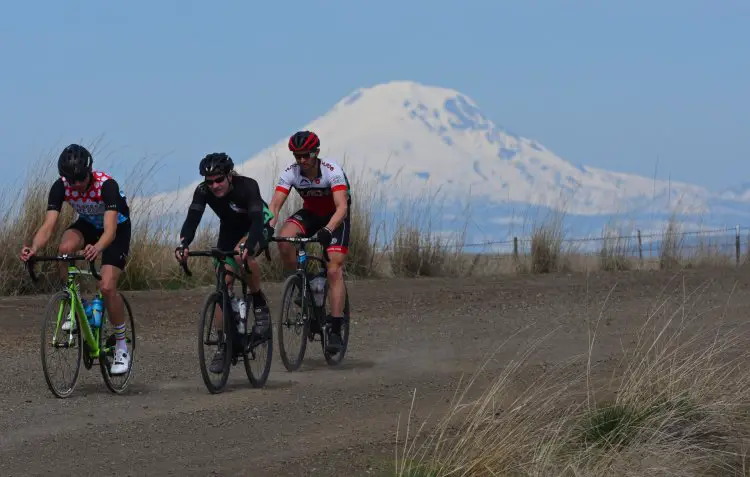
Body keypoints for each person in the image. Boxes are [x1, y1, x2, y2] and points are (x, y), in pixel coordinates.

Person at [19, 143, 132, 375]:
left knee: (108, 286)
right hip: (89, 224)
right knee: (64, 249)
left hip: (116, 229)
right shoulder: (61, 187)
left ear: (89, 171)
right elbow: (48, 226)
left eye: (79, 178)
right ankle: (74, 301)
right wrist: (33, 248)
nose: (76, 185)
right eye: (70, 180)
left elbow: (110, 231)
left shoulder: (107, 186)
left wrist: (97, 248)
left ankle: (121, 345)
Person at [174, 152, 274, 374]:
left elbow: (257, 220)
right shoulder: (202, 191)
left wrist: (249, 245)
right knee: (223, 283)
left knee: (241, 255)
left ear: (229, 175)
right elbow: (192, 219)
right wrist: (184, 244)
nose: (215, 185)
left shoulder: (247, 186)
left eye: (219, 180)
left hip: (258, 225)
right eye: (210, 182)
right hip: (230, 229)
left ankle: (259, 303)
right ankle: (224, 345)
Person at [268, 131, 351, 355]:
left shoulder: (331, 171)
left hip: (335, 218)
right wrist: (267, 226)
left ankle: (334, 327)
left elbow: (342, 207)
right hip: (311, 214)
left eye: (305, 155)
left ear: (316, 153)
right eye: (297, 156)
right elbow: (275, 205)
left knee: (333, 269)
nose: (302, 160)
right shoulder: (291, 172)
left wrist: (328, 230)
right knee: (285, 239)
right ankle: (303, 283)